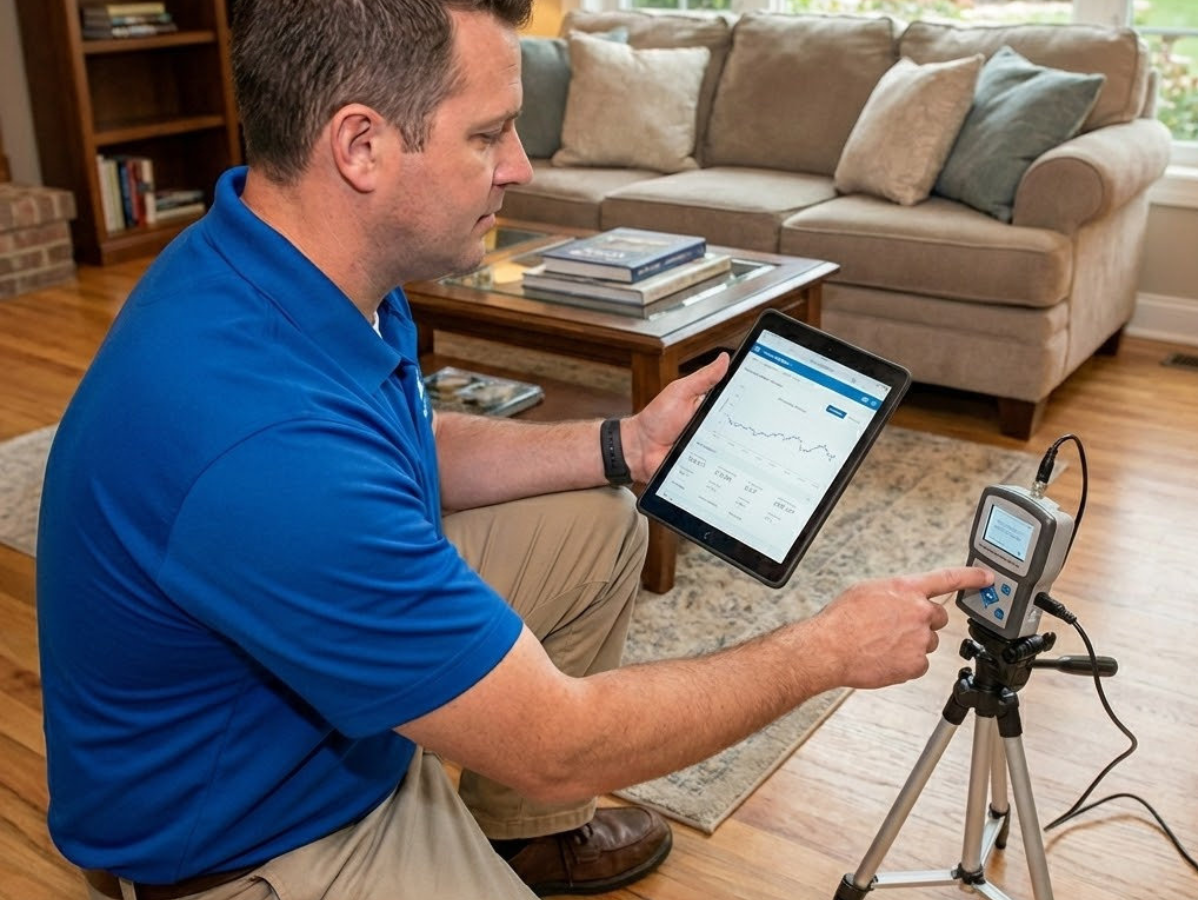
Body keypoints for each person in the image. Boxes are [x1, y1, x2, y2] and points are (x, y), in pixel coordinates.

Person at [35, 1, 992, 898]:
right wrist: (825, 650)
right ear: (361, 146)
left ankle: (523, 837)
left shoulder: (301, 261)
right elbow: (559, 741)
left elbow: (404, 444)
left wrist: (624, 443)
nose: (523, 166)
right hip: (255, 844)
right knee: (540, 736)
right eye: (487, 134)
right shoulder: (268, 449)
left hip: (307, 729)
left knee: (598, 521)